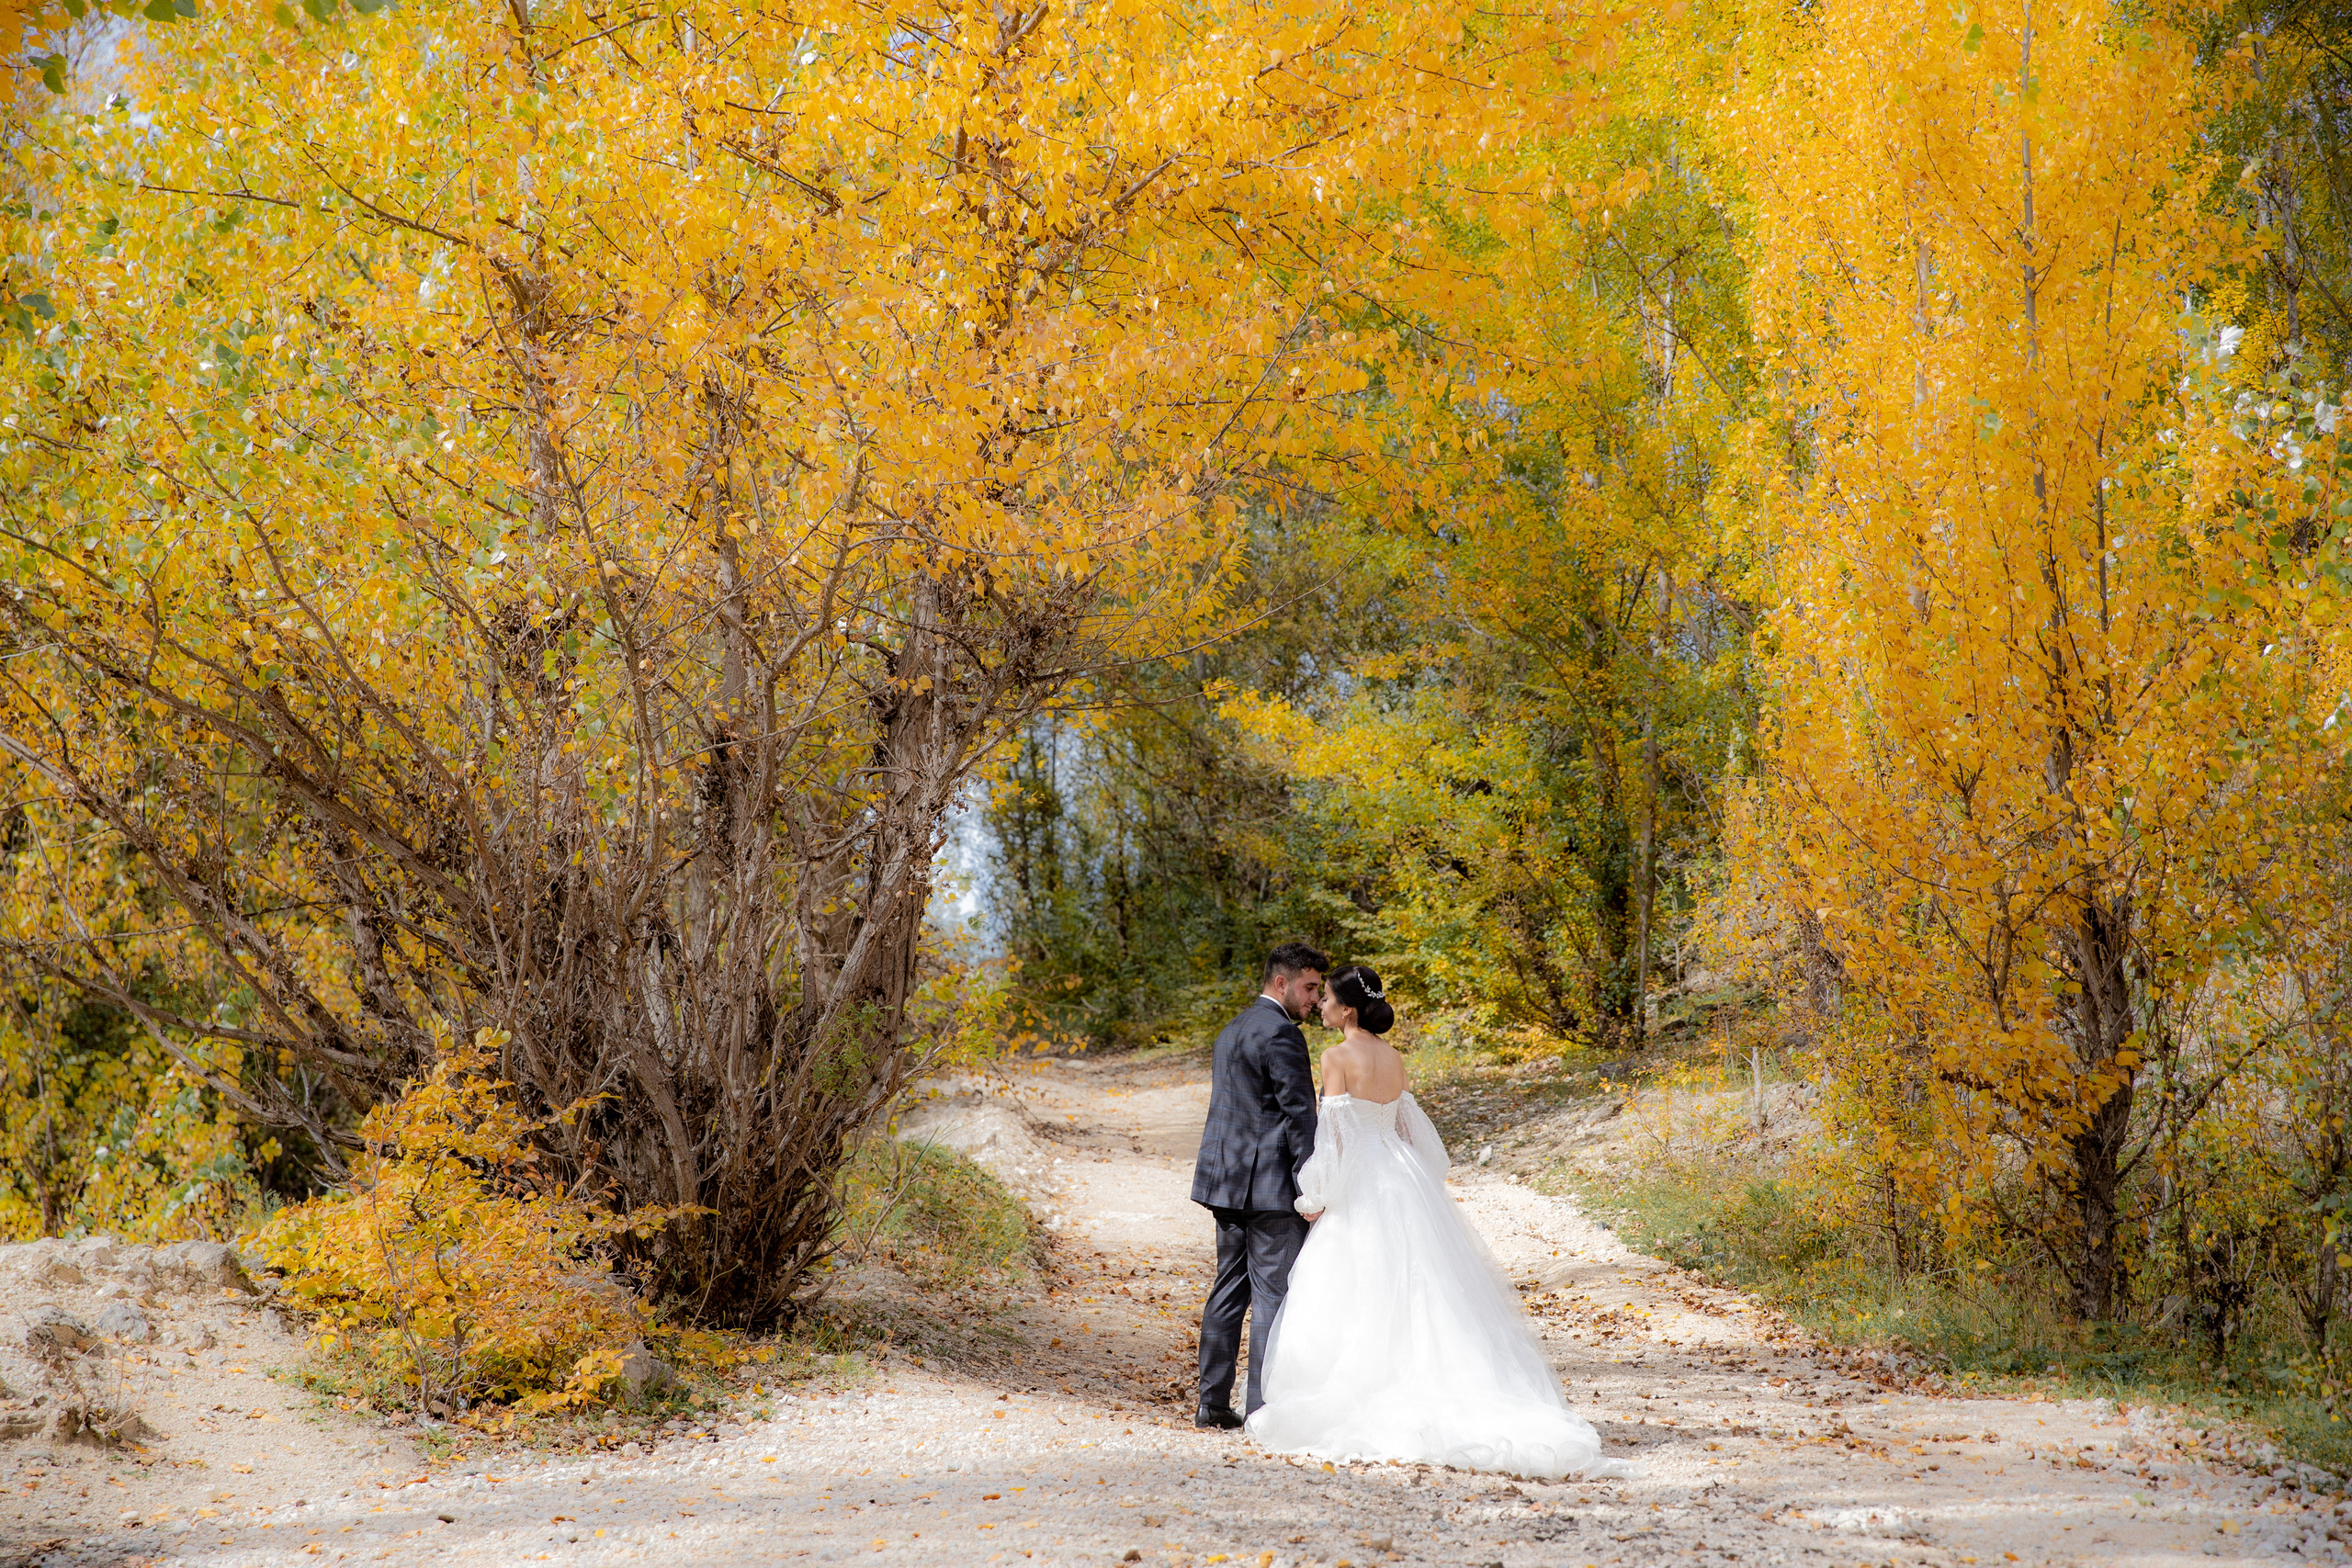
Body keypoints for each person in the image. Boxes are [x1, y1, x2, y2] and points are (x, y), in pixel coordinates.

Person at [1244, 964, 1629, 1478]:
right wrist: (1412, 1181)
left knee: (1361, 1285)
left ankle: (1368, 1392)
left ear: (1349, 1010)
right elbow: (1408, 1130)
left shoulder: (1335, 1056)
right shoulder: (1394, 1057)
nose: (1321, 1006)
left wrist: (1316, 1193)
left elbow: (1333, 1137)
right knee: (1424, 1286)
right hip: (1401, 1178)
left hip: (1363, 1179)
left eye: (1329, 999)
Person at [1189, 940, 1327, 1429]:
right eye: (1309, 988)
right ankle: (1262, 1410)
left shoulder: (1232, 1030)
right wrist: (1312, 1185)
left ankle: (1210, 1403)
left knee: (1228, 1290)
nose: (1315, 999)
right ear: (1281, 982)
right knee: (1272, 1296)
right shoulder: (1283, 1035)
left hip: (1225, 1184)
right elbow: (1299, 1119)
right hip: (1269, 1190)